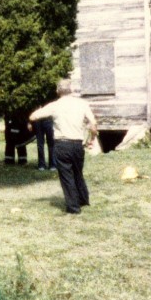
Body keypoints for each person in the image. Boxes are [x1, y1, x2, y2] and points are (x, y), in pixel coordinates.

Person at [29, 79, 98, 214]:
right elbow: (93, 124)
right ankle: (83, 199)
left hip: (62, 144)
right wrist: (92, 138)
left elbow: (33, 117)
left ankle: (73, 207)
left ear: (57, 91)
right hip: (78, 144)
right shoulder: (82, 104)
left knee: (66, 175)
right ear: (71, 90)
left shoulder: (54, 105)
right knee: (78, 172)